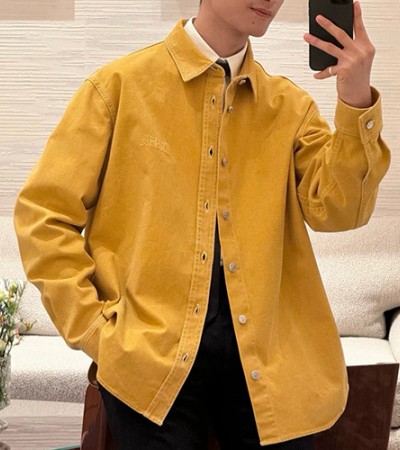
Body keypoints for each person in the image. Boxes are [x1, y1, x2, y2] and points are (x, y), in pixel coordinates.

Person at [14, 0, 390, 449]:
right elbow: (44, 216)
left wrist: (355, 99)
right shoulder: (119, 88)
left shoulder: (289, 108)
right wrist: (97, 331)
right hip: (148, 361)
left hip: (268, 364)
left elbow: (341, 211)